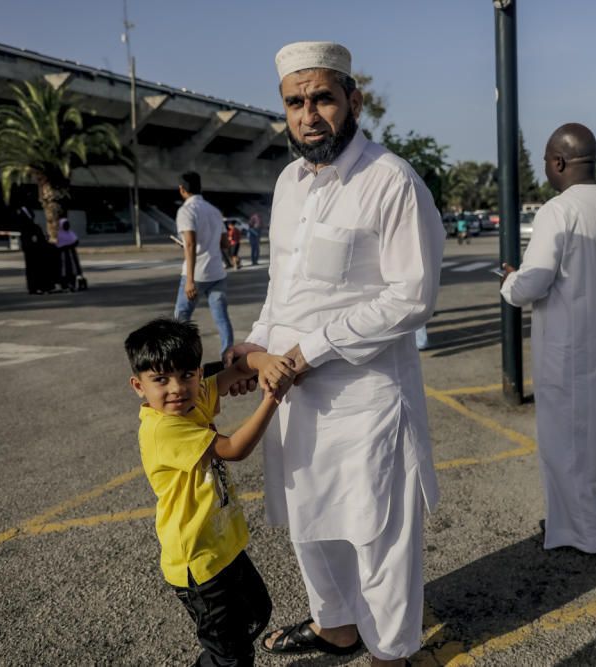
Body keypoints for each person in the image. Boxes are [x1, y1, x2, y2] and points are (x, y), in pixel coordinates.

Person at [224, 42, 444, 666]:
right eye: (295, 102)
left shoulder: (390, 180)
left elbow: (411, 298)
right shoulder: (289, 182)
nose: (308, 114)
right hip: (290, 396)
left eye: (321, 97)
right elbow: (282, 289)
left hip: (365, 398)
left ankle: (392, 652)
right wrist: (256, 346)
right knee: (308, 522)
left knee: (377, 535)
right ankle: (337, 627)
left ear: (354, 100)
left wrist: (305, 353)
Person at [500, 123, 596, 554]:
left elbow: (533, 283)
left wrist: (511, 282)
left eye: (547, 161)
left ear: (558, 162)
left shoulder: (558, 211)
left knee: (564, 443)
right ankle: (579, 525)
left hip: (567, 348)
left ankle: (591, 532)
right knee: (586, 437)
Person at [125, 317, 296, 667]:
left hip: (222, 546)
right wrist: (272, 398)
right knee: (231, 655)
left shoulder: (193, 399)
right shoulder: (164, 428)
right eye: (160, 379)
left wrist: (262, 361)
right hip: (197, 561)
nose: (176, 388)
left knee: (256, 614)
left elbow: (234, 373)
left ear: (198, 374)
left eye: (186, 375)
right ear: (138, 386)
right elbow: (234, 448)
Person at [173, 171, 235, 358]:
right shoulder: (214, 211)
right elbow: (225, 243)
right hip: (217, 273)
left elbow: (190, 244)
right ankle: (228, 356)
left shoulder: (186, 211)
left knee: (181, 317)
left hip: (197, 274)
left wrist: (190, 280)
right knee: (221, 318)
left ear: (182, 189)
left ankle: (183, 356)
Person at [16, 207, 58, 295]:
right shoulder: (31, 227)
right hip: (34, 250)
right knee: (36, 268)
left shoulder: (31, 227)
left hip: (33, 249)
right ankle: (39, 287)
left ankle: (34, 287)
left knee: (33, 268)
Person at [55, 217, 86, 291]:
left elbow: (76, 241)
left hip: (71, 253)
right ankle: (65, 285)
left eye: (67, 224)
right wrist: (66, 246)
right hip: (62, 254)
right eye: (65, 224)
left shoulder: (70, 232)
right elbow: (56, 244)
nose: (67, 226)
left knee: (73, 269)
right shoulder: (58, 234)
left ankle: (73, 284)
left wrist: (68, 246)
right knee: (64, 270)